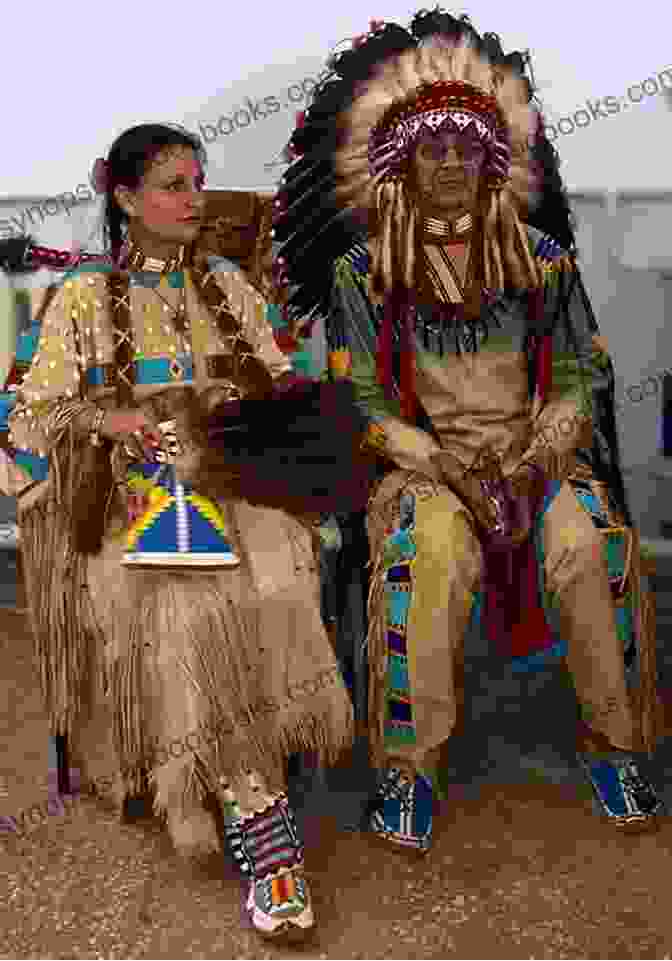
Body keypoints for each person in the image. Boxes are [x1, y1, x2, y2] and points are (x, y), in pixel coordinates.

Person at [273, 12, 663, 852]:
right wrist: (439, 462)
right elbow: (364, 403)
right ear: (402, 161)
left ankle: (616, 742)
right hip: (423, 468)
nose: (450, 162)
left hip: (533, 459)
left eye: (465, 147)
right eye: (431, 148)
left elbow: (577, 372)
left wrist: (544, 445)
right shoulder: (363, 270)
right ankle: (410, 767)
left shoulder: (541, 257)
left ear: (492, 157)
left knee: (594, 546)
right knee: (427, 555)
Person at [7, 123, 358, 940]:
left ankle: (239, 780)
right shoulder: (83, 298)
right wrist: (114, 420)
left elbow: (278, 380)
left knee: (275, 578)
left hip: (233, 485)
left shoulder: (229, 285)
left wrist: (251, 409)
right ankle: (259, 816)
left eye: (198, 181)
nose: (193, 198)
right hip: (131, 505)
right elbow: (28, 414)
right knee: (186, 606)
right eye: (171, 184)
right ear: (125, 198)